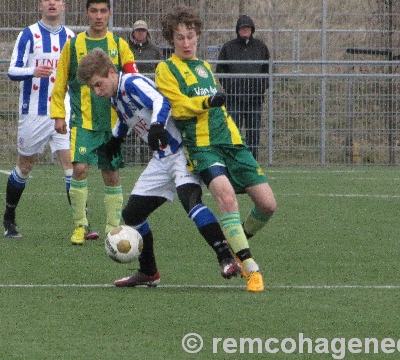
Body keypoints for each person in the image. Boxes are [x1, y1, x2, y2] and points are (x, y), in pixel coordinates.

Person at [77, 49, 242, 286]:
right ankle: (148, 272)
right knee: (132, 214)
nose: (97, 91)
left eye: (98, 84)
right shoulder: (114, 96)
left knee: (191, 202)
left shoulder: (132, 83)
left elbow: (160, 101)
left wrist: (157, 126)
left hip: (181, 151)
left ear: (112, 72)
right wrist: (115, 138)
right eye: (93, 87)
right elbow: (126, 117)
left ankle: (226, 258)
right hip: (161, 158)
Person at [155, 6, 277, 292]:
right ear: (171, 41)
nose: (186, 43)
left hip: (231, 141)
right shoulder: (166, 69)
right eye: (180, 38)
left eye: (190, 37)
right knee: (226, 198)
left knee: (268, 205)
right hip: (202, 145)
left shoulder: (203, 66)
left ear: (197, 36)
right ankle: (251, 268)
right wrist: (206, 103)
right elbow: (176, 107)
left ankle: (237, 243)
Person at [51, 0, 138, 245]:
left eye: (103, 11)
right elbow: (60, 82)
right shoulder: (74, 45)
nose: (98, 16)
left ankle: (113, 228)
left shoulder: (120, 46)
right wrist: (58, 113)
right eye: (94, 11)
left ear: (109, 14)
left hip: (112, 122)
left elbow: (133, 78)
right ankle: (80, 224)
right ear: (87, 13)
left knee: (111, 174)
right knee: (79, 169)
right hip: (83, 121)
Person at [2, 0, 75, 239]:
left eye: (57, 0)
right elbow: (13, 71)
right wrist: (33, 71)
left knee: (71, 165)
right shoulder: (28, 35)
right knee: (25, 166)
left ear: (63, 5)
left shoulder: (72, 37)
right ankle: (9, 218)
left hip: (63, 111)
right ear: (40, 5)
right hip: (33, 110)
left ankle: (81, 224)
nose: (52, 3)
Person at [216, 15, 270, 160]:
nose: (245, 30)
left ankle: (252, 162)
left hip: (255, 98)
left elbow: (268, 69)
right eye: (242, 28)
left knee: (254, 133)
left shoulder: (261, 47)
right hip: (234, 98)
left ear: (252, 29)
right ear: (237, 30)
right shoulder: (228, 47)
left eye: (247, 28)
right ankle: (233, 160)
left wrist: (262, 87)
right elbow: (220, 70)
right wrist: (230, 87)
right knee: (233, 132)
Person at [126, 20, 164, 165]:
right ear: (133, 32)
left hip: (148, 96)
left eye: (143, 30)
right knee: (130, 127)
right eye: (138, 30)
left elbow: (160, 70)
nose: (140, 33)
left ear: (147, 33)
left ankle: (145, 161)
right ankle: (128, 161)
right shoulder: (126, 48)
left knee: (145, 127)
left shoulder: (155, 50)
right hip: (129, 94)